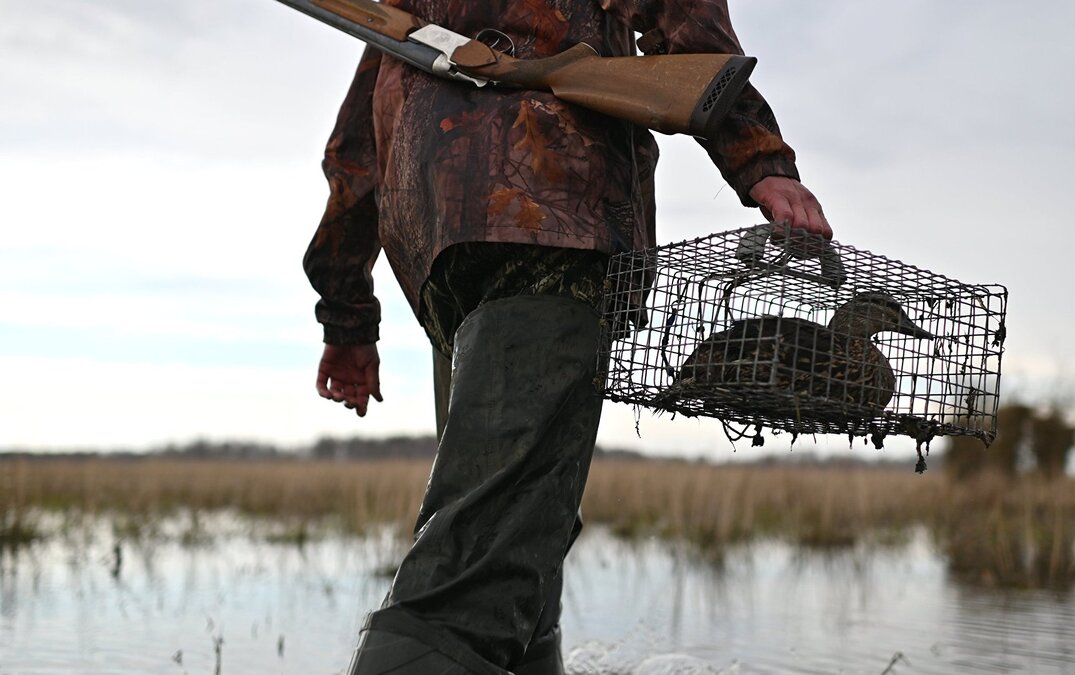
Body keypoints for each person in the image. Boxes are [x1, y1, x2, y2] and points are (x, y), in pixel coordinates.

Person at [303, 1, 833, 673]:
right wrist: (761, 158)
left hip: (442, 245)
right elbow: (689, 27)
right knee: (469, 584)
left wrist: (347, 310)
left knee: (519, 548)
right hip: (556, 214)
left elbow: (356, 145)